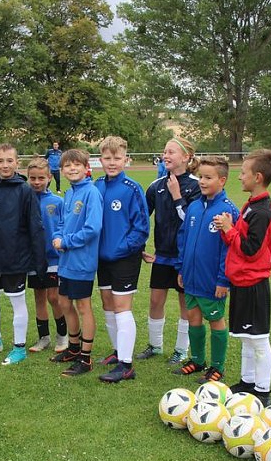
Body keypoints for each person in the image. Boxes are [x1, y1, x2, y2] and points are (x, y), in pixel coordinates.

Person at [213, 148, 271, 406]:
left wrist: (230, 230)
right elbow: (237, 242)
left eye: (243, 173)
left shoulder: (262, 212)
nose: (239, 177)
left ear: (258, 177)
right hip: (241, 282)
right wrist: (228, 227)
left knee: (259, 340)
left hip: (254, 285)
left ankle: (262, 391)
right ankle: (247, 382)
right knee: (245, 337)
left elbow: (251, 249)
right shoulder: (251, 206)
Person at [0, 143, 46, 365]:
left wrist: (39, 262)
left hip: (17, 260)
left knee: (17, 303)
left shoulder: (25, 191)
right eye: (0, 161)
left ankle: (19, 347)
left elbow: (36, 227)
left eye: (9, 161)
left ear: (17, 163)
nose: (5, 165)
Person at [174, 156, 239, 383]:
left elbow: (230, 249)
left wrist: (223, 280)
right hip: (191, 277)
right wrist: (181, 268)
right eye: (201, 176)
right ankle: (197, 359)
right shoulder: (194, 206)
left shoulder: (228, 211)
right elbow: (183, 238)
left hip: (212, 280)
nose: (202, 181)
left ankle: (217, 366)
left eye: (208, 178)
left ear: (222, 180)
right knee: (193, 318)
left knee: (215, 320)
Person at [139, 136, 201, 365]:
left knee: (186, 304)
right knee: (155, 301)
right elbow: (141, 220)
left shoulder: (196, 185)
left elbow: (192, 222)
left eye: (171, 152)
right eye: (165, 152)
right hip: (162, 256)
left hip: (186, 257)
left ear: (186, 157)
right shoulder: (155, 187)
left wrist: (177, 195)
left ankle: (181, 350)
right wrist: (139, 246)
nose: (166, 155)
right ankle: (155, 346)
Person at [94, 136, 149, 383]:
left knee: (122, 307)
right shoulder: (96, 186)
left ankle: (127, 365)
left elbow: (142, 228)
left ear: (125, 159)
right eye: (107, 158)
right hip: (101, 258)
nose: (112, 162)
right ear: (101, 159)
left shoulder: (132, 188)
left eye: (117, 158)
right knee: (107, 304)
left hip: (124, 257)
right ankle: (118, 353)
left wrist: (122, 248)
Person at [49, 149, 103, 377]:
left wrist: (66, 242)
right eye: (67, 166)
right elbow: (62, 222)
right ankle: (72, 348)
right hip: (66, 260)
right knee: (63, 302)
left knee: (83, 306)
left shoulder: (91, 192)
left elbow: (92, 229)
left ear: (85, 167)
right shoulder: (69, 194)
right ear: (61, 170)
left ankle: (86, 357)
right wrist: (57, 237)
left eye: (76, 165)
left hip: (82, 261)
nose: (72, 169)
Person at [26, 157, 68, 353]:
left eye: (40, 178)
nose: (36, 182)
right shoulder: (25, 199)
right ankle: (43, 338)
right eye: (32, 178)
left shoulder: (58, 202)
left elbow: (64, 226)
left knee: (54, 297)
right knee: (39, 297)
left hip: (54, 258)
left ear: (49, 177)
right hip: (33, 258)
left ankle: (63, 335)